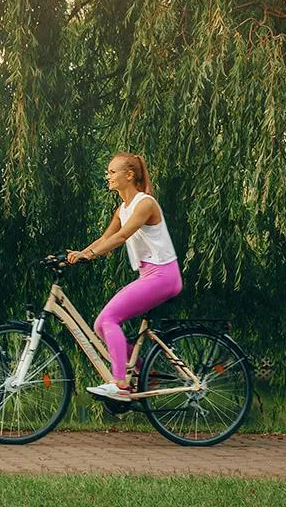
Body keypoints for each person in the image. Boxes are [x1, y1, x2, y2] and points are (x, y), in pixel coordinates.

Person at [66, 152, 182, 400]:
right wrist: (81, 253)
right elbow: (106, 237)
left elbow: (121, 237)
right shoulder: (123, 208)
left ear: (128, 175)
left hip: (163, 275)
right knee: (100, 326)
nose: (107, 176)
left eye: (111, 172)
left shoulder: (145, 203)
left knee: (109, 318)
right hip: (149, 275)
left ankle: (120, 384)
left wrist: (91, 255)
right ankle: (142, 369)